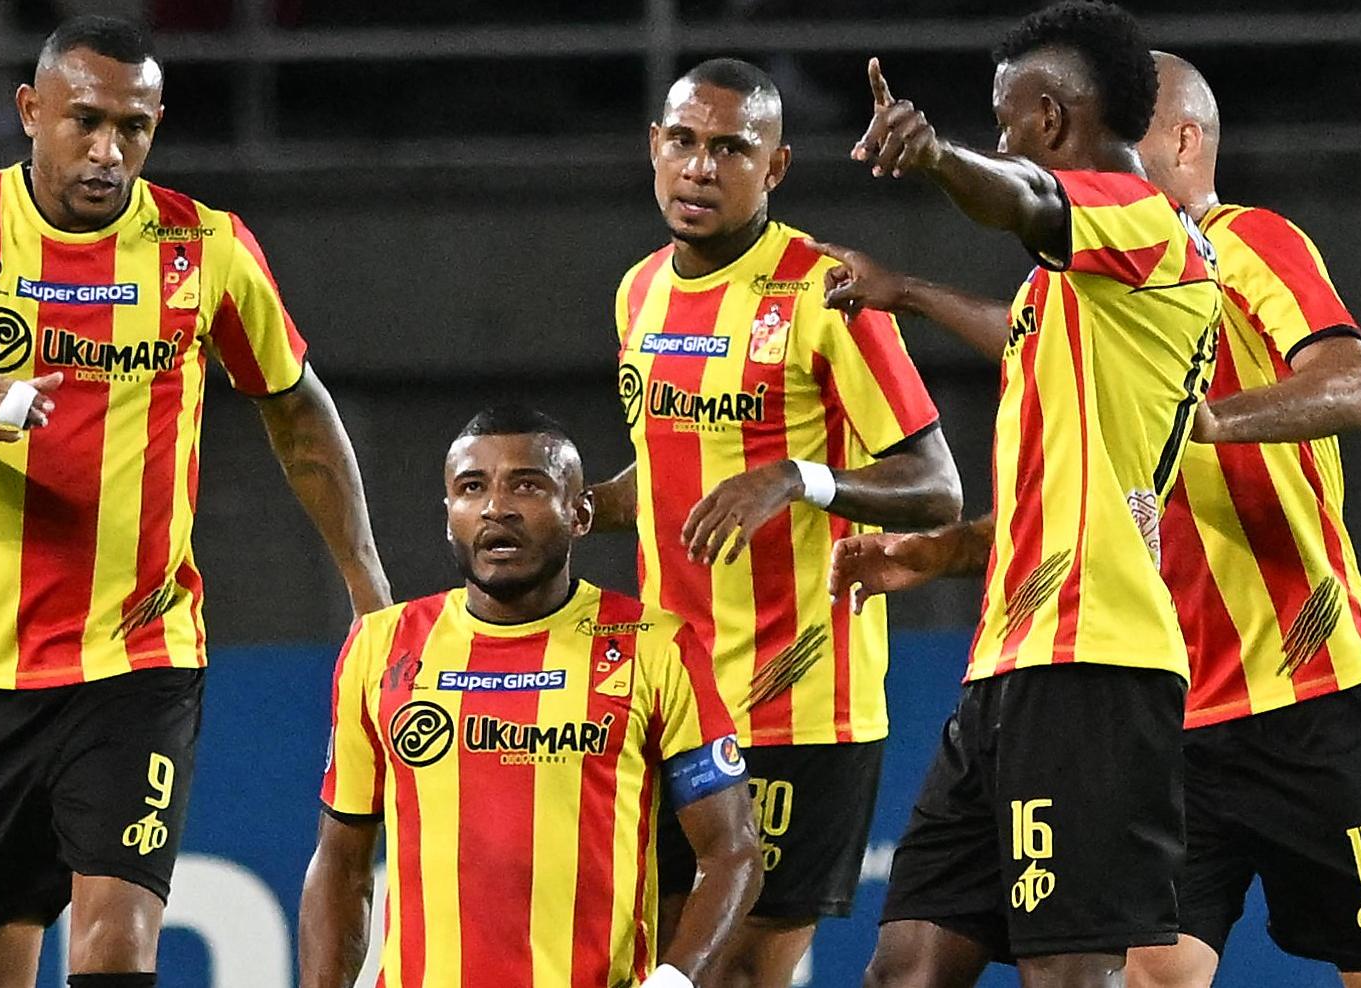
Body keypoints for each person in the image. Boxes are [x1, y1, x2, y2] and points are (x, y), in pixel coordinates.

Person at [821, 49, 1361, 988]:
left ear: (1187, 139)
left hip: (1310, 692)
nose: (1102, 152)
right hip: (1166, 705)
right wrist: (908, 296)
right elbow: (1059, 428)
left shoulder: (1245, 241)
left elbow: (1355, 387)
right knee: (1150, 974)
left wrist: (1208, 417)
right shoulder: (1077, 291)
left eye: (1130, 127)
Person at [0, 16, 390, 988]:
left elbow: (298, 413)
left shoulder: (203, 247)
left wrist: (368, 591)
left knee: (114, 948)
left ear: (157, 123)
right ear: (29, 111)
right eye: (83, 121)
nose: (107, 151)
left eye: (132, 128)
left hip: (138, 656)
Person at [801, 3, 1223, 985]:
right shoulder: (1066, 297)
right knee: (906, 964)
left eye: (1001, 121)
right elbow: (1053, 492)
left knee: (1069, 974)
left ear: (1042, 120)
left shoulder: (1140, 222)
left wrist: (938, 156)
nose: (997, 137)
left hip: (1092, 664)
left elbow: (1025, 199)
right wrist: (930, 552)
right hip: (1009, 665)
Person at [587, 56, 963, 988]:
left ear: (777, 167)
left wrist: (798, 478)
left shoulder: (824, 292)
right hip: (668, 694)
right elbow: (678, 469)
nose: (700, 168)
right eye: (682, 142)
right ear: (653, 148)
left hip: (800, 702)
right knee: (658, 960)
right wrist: (579, 507)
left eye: (730, 148)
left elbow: (936, 486)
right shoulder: (638, 293)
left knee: (740, 972)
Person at [299, 406, 763, 988]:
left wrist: (672, 981)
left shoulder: (655, 646)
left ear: (581, 513)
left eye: (528, 484)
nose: (497, 507)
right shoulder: (380, 648)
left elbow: (732, 852)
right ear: (449, 517)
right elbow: (341, 864)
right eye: (472, 488)